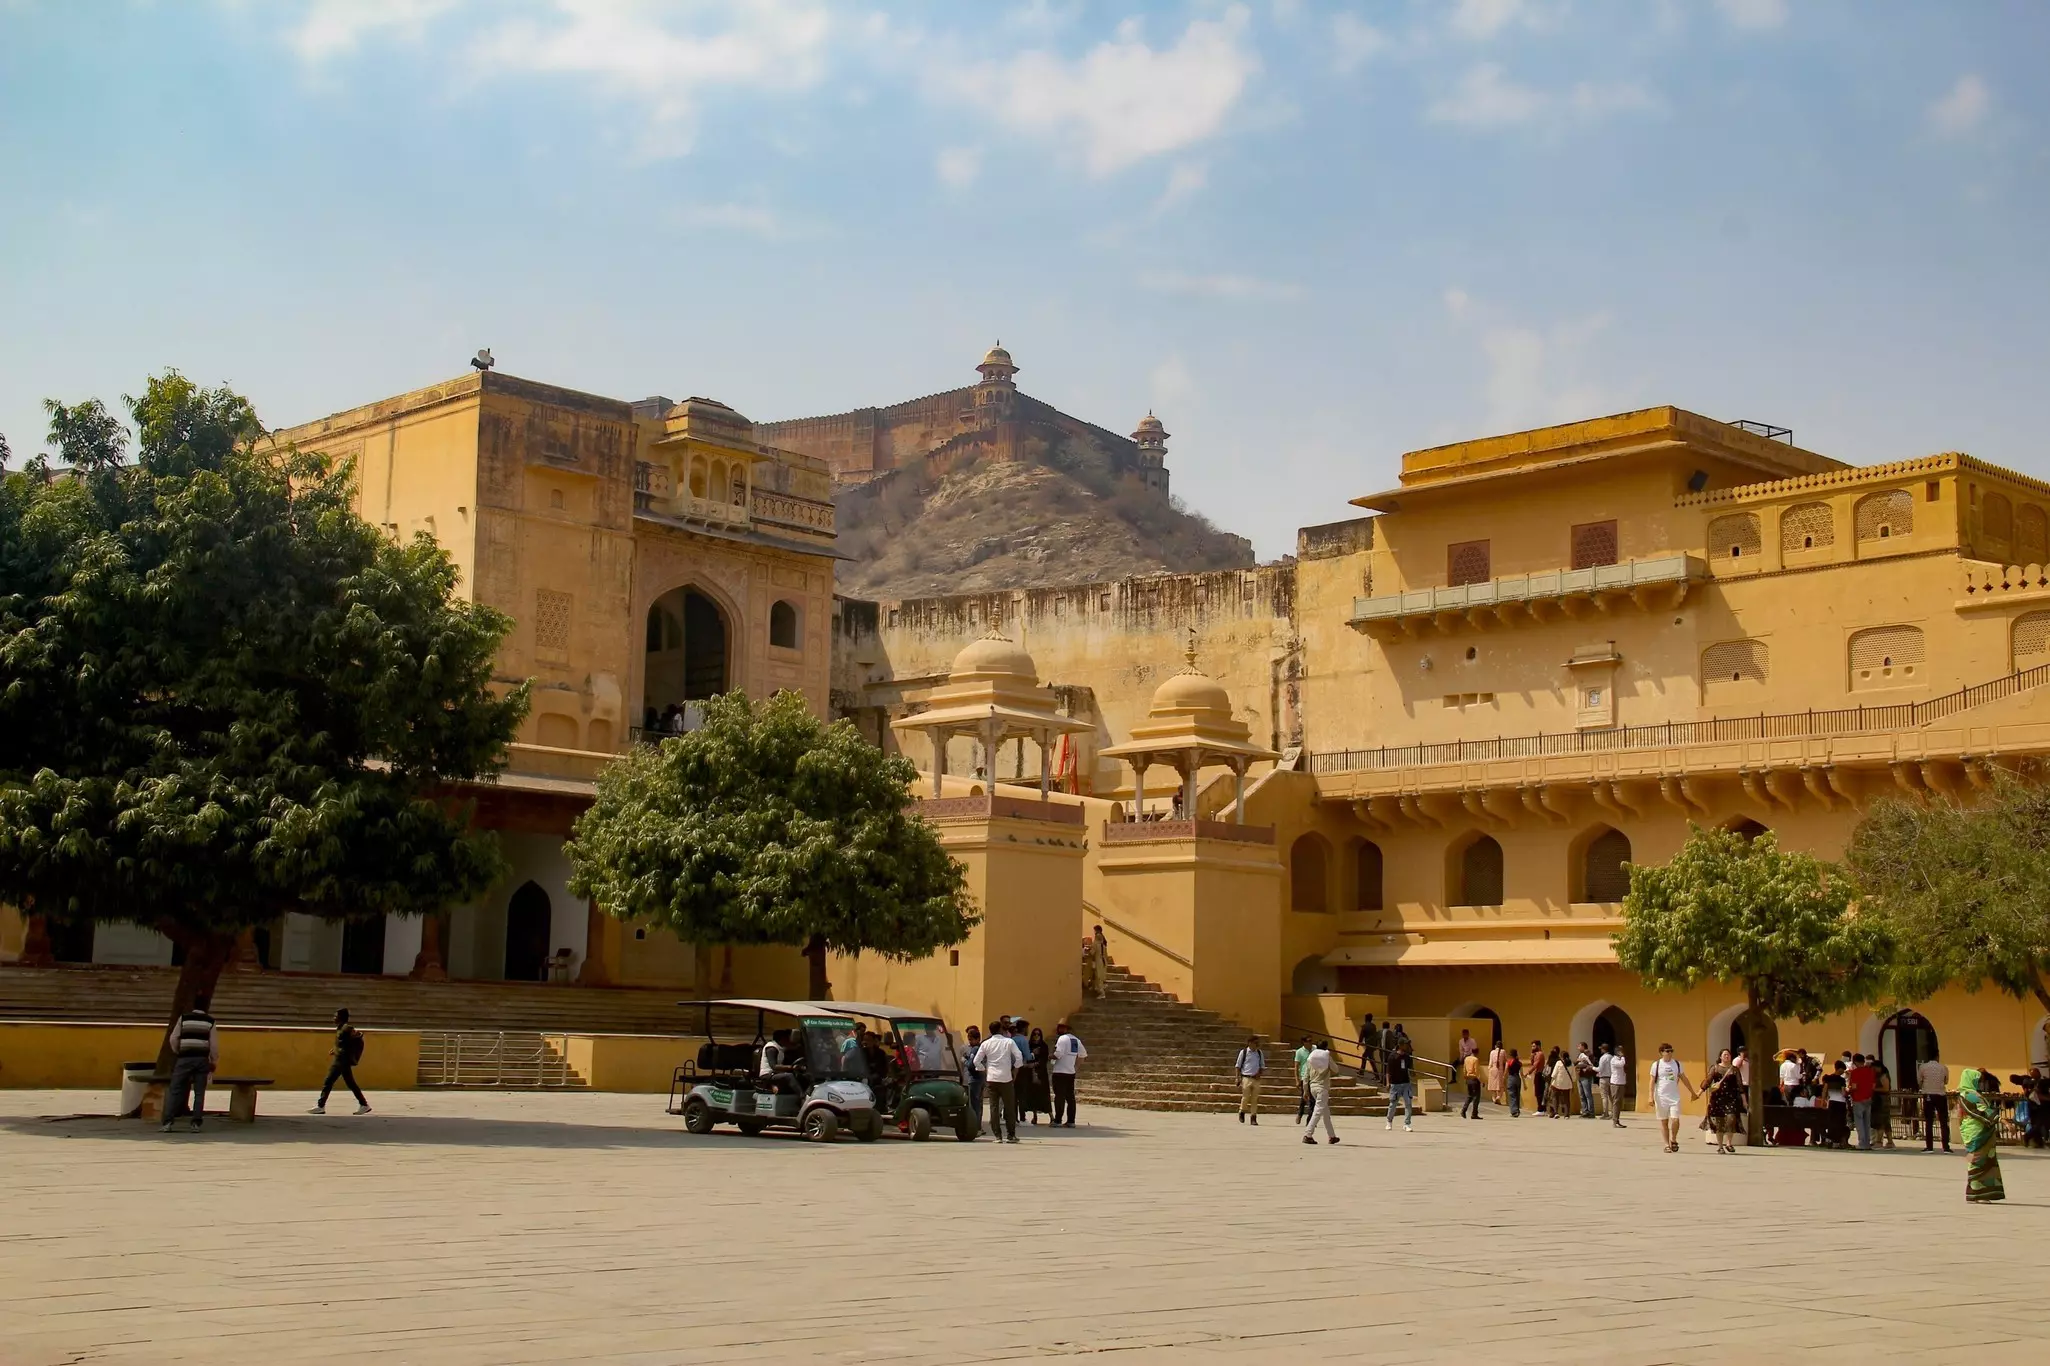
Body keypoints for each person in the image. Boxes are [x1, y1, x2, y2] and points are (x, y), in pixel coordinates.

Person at [160, 991, 219, 1133]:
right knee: (199, 1092)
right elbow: (214, 1045)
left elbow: (173, 1038)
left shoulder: (184, 1018)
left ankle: (168, 1122)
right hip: (201, 1059)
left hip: (184, 1058)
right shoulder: (210, 1021)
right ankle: (196, 1123)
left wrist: (178, 1051)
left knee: (175, 1089)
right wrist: (214, 1060)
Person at [310, 1008, 371, 1116]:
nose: (334, 1018)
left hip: (342, 1060)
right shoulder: (340, 1028)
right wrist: (336, 1049)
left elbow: (358, 1037)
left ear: (341, 1017)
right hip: (341, 1059)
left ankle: (320, 1106)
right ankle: (364, 1104)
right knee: (350, 1083)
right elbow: (343, 1042)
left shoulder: (347, 1028)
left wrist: (352, 1054)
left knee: (328, 1081)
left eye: (335, 1016)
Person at [1959, 1068, 2005, 1203]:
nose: (1979, 1083)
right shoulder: (1969, 1094)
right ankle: (1980, 1194)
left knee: (1978, 1161)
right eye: (1977, 1080)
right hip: (1977, 1132)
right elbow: (1982, 1111)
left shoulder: (1968, 1093)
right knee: (1979, 1161)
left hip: (1975, 1131)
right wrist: (2001, 1120)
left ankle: (1976, 1192)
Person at [975, 1021, 1024, 1143]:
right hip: (1006, 1078)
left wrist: (984, 1070)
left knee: (994, 1107)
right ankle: (1011, 1135)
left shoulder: (986, 1043)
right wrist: (1015, 1070)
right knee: (1009, 1107)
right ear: (1001, 1030)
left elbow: (976, 1061)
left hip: (992, 1078)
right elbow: (1019, 1056)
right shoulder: (1009, 1042)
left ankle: (997, 1136)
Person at [1650, 1043, 1697, 1152]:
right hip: (1661, 1097)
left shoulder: (1677, 1064)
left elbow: (1684, 1078)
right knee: (1664, 1122)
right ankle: (1666, 1145)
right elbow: (1652, 1081)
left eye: (1671, 1051)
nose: (1670, 1053)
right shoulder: (1656, 1065)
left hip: (1674, 1096)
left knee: (1675, 1119)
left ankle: (1673, 1139)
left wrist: (1692, 1093)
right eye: (1667, 1051)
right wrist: (1650, 1096)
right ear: (1661, 1052)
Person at [1705, 1048, 1744, 1154]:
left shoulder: (1734, 1069)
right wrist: (1698, 1093)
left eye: (1728, 1055)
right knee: (1719, 1123)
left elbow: (1740, 1086)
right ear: (1720, 1057)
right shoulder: (1715, 1068)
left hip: (1731, 1098)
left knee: (1731, 1119)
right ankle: (1720, 1146)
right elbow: (1707, 1082)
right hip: (1717, 1099)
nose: (1727, 1056)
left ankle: (1729, 1143)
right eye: (1725, 1055)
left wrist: (1744, 1101)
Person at [1302, 1039, 1339, 1145]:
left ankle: (1332, 1136)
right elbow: (1336, 1070)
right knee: (1318, 1111)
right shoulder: (1327, 1057)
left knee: (1325, 1113)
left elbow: (1305, 1076)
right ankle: (1308, 1134)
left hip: (1312, 1086)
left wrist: (1305, 1091)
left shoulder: (1311, 1058)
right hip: (1322, 1087)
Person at [1050, 1021, 1086, 1127]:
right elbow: (1083, 1055)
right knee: (1070, 1097)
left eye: (1060, 1028)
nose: (1058, 1030)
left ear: (1064, 1029)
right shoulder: (1076, 1040)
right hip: (1070, 1072)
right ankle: (1071, 1121)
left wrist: (1049, 1056)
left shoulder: (1062, 1039)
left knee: (1059, 1096)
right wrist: (1075, 1067)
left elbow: (1058, 1054)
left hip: (1059, 1071)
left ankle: (1058, 1120)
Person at [1918, 1050, 1952, 1153]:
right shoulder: (1943, 1067)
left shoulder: (1923, 1067)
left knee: (1928, 1121)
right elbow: (1946, 1081)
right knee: (1943, 1121)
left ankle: (1929, 1147)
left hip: (1928, 1095)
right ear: (1937, 1057)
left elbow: (1919, 1081)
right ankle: (1946, 1147)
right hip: (1941, 1095)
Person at [1019, 1027, 1051, 1125]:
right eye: (1034, 1034)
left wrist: (1033, 1065)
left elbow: (1044, 1060)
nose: (1036, 1036)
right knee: (1032, 1095)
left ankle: (1051, 1116)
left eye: (1038, 1034)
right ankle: (1034, 1116)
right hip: (1029, 1074)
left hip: (1041, 1074)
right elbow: (1026, 1057)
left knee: (1044, 1095)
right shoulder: (1029, 1045)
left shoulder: (1043, 1046)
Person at [1847, 1052, 1878, 1151]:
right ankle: (1867, 1143)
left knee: (1859, 1122)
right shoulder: (1871, 1071)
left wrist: (1849, 1091)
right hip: (1868, 1098)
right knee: (1867, 1122)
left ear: (1855, 1062)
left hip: (1858, 1099)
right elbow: (1873, 1086)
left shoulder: (1855, 1072)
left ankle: (1862, 1143)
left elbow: (1854, 1087)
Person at [1384, 1039, 1416, 1132]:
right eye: (1406, 1044)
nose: (1407, 1046)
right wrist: (1388, 1082)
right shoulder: (1392, 1056)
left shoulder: (1407, 1057)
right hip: (1395, 1084)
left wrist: (1413, 1073)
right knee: (1393, 1104)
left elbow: (1411, 1069)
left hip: (1406, 1083)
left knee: (1408, 1104)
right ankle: (1389, 1121)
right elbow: (1388, 1071)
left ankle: (1407, 1124)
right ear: (1400, 1045)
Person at [1234, 1035, 1265, 1125]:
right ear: (1250, 1043)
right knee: (1246, 1097)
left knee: (1255, 1099)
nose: (1257, 1045)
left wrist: (1259, 1074)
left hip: (1256, 1078)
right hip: (1246, 1077)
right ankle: (1242, 1111)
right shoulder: (1243, 1053)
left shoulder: (1259, 1053)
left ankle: (1253, 1117)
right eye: (1255, 1043)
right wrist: (1237, 1078)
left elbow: (1262, 1065)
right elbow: (1238, 1066)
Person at [1822, 1059, 1851, 1149]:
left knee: (1832, 1121)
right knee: (1840, 1122)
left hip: (1832, 1102)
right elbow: (1843, 1093)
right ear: (1839, 1069)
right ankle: (1837, 1141)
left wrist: (1823, 1100)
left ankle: (1830, 1140)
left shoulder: (1828, 1078)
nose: (1843, 1072)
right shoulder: (1841, 1080)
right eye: (1842, 1070)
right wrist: (1848, 1091)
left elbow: (1825, 1090)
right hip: (1841, 1103)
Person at [962, 1024, 986, 1120]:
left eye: (971, 1040)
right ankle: (977, 1123)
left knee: (974, 1103)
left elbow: (971, 1065)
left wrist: (964, 1060)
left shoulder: (975, 1049)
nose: (970, 1042)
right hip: (980, 1078)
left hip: (974, 1079)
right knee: (978, 1103)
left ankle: (974, 1123)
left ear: (977, 1039)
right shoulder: (982, 1048)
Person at [1871, 1057, 1896, 1150]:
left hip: (1882, 1101)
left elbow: (1886, 1089)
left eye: (1874, 1068)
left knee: (1880, 1121)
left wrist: (1873, 1089)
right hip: (1881, 1100)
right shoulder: (1880, 1076)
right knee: (1886, 1122)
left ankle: (1879, 1141)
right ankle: (1890, 1142)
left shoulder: (1883, 1076)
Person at [1604, 1043, 1629, 1128]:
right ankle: (1615, 1121)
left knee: (1619, 1103)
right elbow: (1621, 1064)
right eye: (1621, 1051)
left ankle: (1617, 1120)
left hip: (1621, 1082)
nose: (1623, 1052)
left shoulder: (1620, 1059)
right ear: (1618, 1052)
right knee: (1616, 1102)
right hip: (1616, 1083)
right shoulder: (1614, 1060)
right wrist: (1623, 1057)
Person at [1548, 1049, 1575, 1121]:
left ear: (1561, 1056)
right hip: (1567, 1084)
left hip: (1558, 1083)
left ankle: (1556, 1113)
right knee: (1567, 1099)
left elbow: (1554, 1074)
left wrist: (1551, 1083)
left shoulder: (1559, 1063)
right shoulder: (1571, 1063)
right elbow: (1573, 1077)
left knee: (1555, 1098)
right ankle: (1566, 1115)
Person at [1294, 1037, 1314, 1125]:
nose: (1310, 1043)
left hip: (1313, 1077)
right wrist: (1297, 1079)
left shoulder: (1314, 1049)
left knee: (1313, 1100)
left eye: (1311, 1041)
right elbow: (1296, 1066)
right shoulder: (1299, 1052)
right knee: (1304, 1098)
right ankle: (1300, 1113)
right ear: (1304, 1042)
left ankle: (1310, 1120)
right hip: (1303, 1077)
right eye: (1308, 1041)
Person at [1459, 1048, 1484, 1119]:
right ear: (1477, 1053)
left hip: (1468, 1079)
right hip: (1474, 1079)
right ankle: (1474, 1113)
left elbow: (1464, 1069)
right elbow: (1477, 1072)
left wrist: (1465, 1077)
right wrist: (1481, 1081)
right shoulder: (1475, 1060)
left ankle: (1463, 1110)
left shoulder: (1466, 1059)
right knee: (1476, 1097)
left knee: (1469, 1096)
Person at [1575, 1042, 1597, 1118]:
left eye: (1579, 1046)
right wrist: (1578, 1062)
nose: (1578, 1048)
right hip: (1580, 1076)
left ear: (1583, 1047)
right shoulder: (1580, 1055)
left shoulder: (1590, 1055)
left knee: (1588, 1094)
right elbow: (1575, 1063)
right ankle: (1585, 1111)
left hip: (1586, 1077)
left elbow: (1591, 1065)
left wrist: (1581, 1065)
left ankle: (1591, 1112)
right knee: (1582, 1095)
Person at [1357, 1013, 1380, 1082]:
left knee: (1369, 1059)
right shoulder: (1373, 1026)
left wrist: (1358, 1043)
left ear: (1366, 1018)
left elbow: (1361, 1036)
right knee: (1368, 1058)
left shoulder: (1364, 1026)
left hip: (1369, 1045)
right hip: (1373, 1044)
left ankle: (1376, 1076)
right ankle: (1362, 1072)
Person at [1090, 925, 1111, 998]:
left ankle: (1101, 993)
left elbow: (1092, 953)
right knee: (1100, 976)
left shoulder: (1096, 945)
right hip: (1104, 962)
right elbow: (1106, 956)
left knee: (1098, 977)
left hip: (1098, 962)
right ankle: (1097, 987)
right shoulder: (1104, 946)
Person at [1486, 1041, 1506, 1106]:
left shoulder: (1492, 1052)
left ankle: (1494, 1099)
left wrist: (1489, 1069)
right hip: (1499, 1070)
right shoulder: (1503, 1051)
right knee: (1500, 1086)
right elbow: (1506, 1060)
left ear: (1495, 1046)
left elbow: (1490, 1063)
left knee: (1493, 1086)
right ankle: (1498, 1097)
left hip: (1492, 1069)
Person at [1504, 1048, 1523, 1118]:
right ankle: (1517, 1110)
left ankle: (1514, 1111)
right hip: (1518, 1078)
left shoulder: (1508, 1062)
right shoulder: (1519, 1063)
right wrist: (1525, 1084)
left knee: (1512, 1095)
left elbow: (1506, 1071)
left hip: (1511, 1078)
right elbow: (1522, 1073)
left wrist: (1504, 1078)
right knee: (1517, 1095)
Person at [1531, 1039, 1547, 1114]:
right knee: (1537, 1092)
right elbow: (1532, 1063)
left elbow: (1535, 1065)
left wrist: (1528, 1072)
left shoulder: (1540, 1054)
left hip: (1539, 1074)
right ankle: (1541, 1109)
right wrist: (1532, 1056)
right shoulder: (1535, 1054)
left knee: (1539, 1092)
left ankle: (1541, 1109)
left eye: (1534, 1046)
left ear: (1538, 1046)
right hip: (1536, 1074)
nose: (1532, 1048)